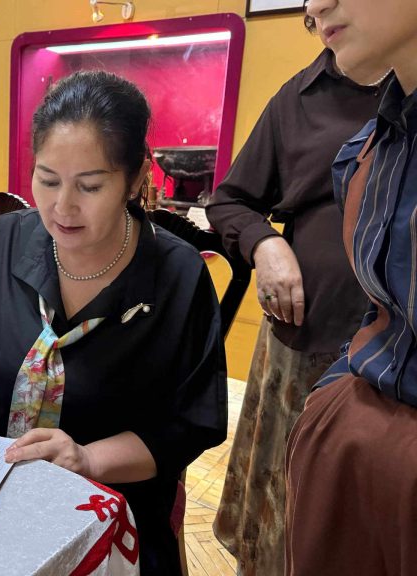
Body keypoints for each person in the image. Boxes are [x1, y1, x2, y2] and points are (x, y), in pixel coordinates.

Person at [0, 70, 227, 575]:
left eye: (90, 185)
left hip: (108, 505)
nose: (62, 207)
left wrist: (87, 459)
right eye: (48, 179)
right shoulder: (10, 239)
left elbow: (189, 424)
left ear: (135, 179)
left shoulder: (176, 275)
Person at [204, 10, 386, 574]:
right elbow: (230, 199)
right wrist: (265, 243)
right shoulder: (301, 96)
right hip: (306, 341)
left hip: (391, 361)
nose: (315, 8)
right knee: (285, 506)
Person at [285, 0, 417, 574]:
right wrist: (330, 404)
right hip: (351, 436)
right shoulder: (370, 151)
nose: (315, 5)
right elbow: (385, 309)